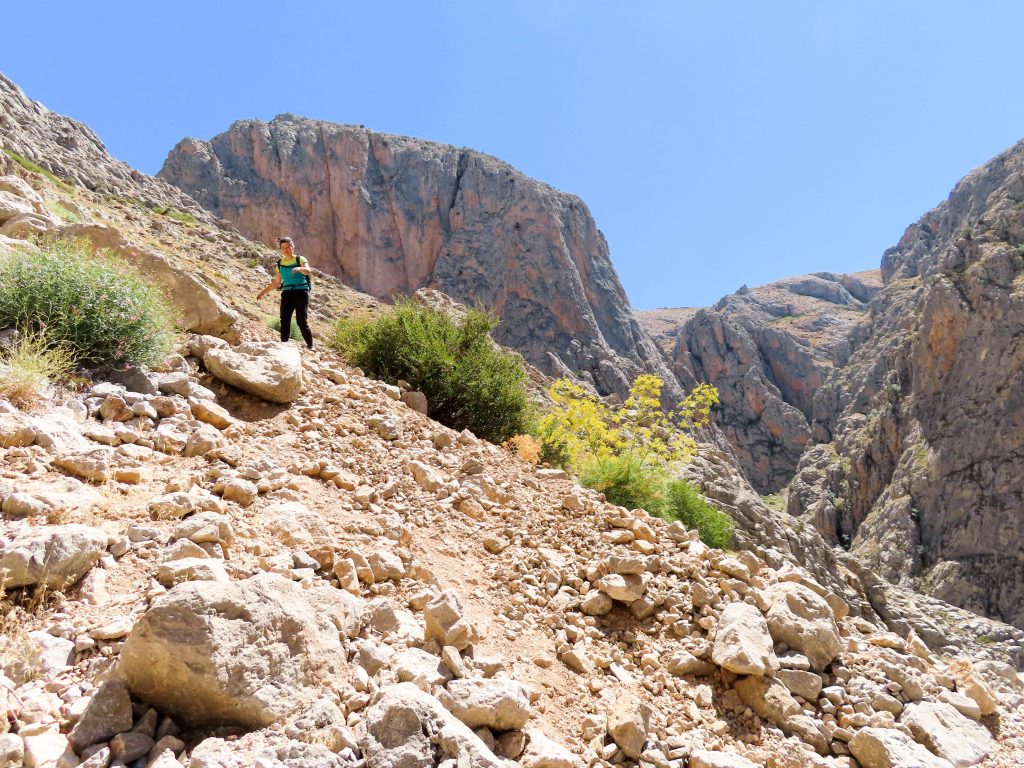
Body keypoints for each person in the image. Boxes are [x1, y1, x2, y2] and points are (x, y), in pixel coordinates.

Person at [256, 236, 314, 349]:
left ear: (293, 247)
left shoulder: (300, 259)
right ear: (280, 249)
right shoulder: (280, 264)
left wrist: (300, 269)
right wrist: (263, 292)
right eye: (283, 247)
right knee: (284, 319)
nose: (286, 249)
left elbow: (308, 271)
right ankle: (284, 345)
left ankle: (310, 346)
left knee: (301, 320)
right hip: (287, 293)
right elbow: (276, 282)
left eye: (288, 247)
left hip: (301, 292)